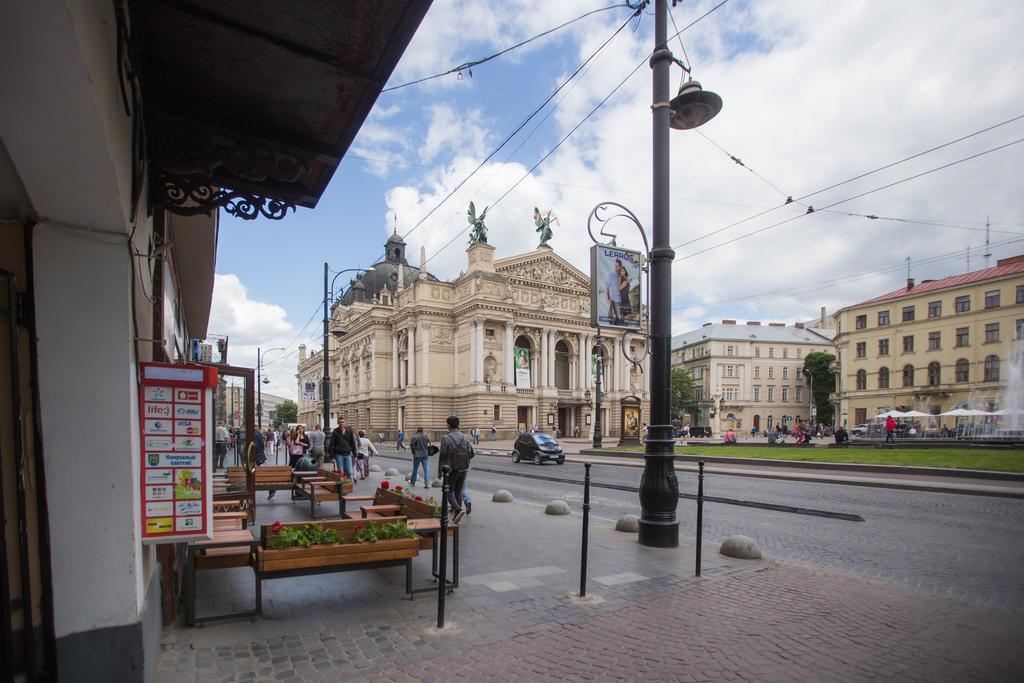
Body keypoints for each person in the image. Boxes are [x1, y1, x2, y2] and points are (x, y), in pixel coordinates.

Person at [439, 415, 473, 524]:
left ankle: (458, 509)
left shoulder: (446, 438)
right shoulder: (465, 437)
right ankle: (456, 517)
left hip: (451, 470)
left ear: (448, 425)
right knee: (458, 493)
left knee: (448, 491)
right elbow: (471, 453)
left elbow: (443, 456)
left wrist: (440, 471)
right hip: (463, 468)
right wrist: (463, 460)